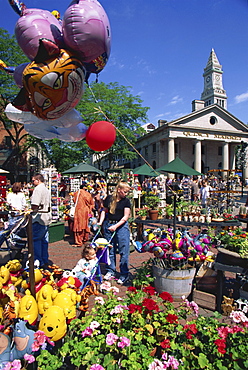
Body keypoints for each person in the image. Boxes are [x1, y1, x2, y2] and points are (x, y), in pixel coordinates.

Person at [98, 181, 131, 285]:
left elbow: (125, 216)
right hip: (109, 225)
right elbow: (104, 210)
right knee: (109, 249)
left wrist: (116, 226)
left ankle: (124, 273)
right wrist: (100, 222)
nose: (126, 194)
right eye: (124, 192)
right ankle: (110, 270)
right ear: (119, 190)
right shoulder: (109, 199)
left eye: (127, 192)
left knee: (123, 250)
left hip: (121, 226)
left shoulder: (126, 201)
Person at [31, 174, 52, 268]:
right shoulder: (46, 189)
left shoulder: (38, 189)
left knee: (36, 240)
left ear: (38, 180)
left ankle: (38, 261)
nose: (32, 183)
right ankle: (44, 259)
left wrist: (30, 210)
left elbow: (35, 204)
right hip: (45, 218)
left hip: (38, 218)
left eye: (33, 181)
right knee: (44, 241)